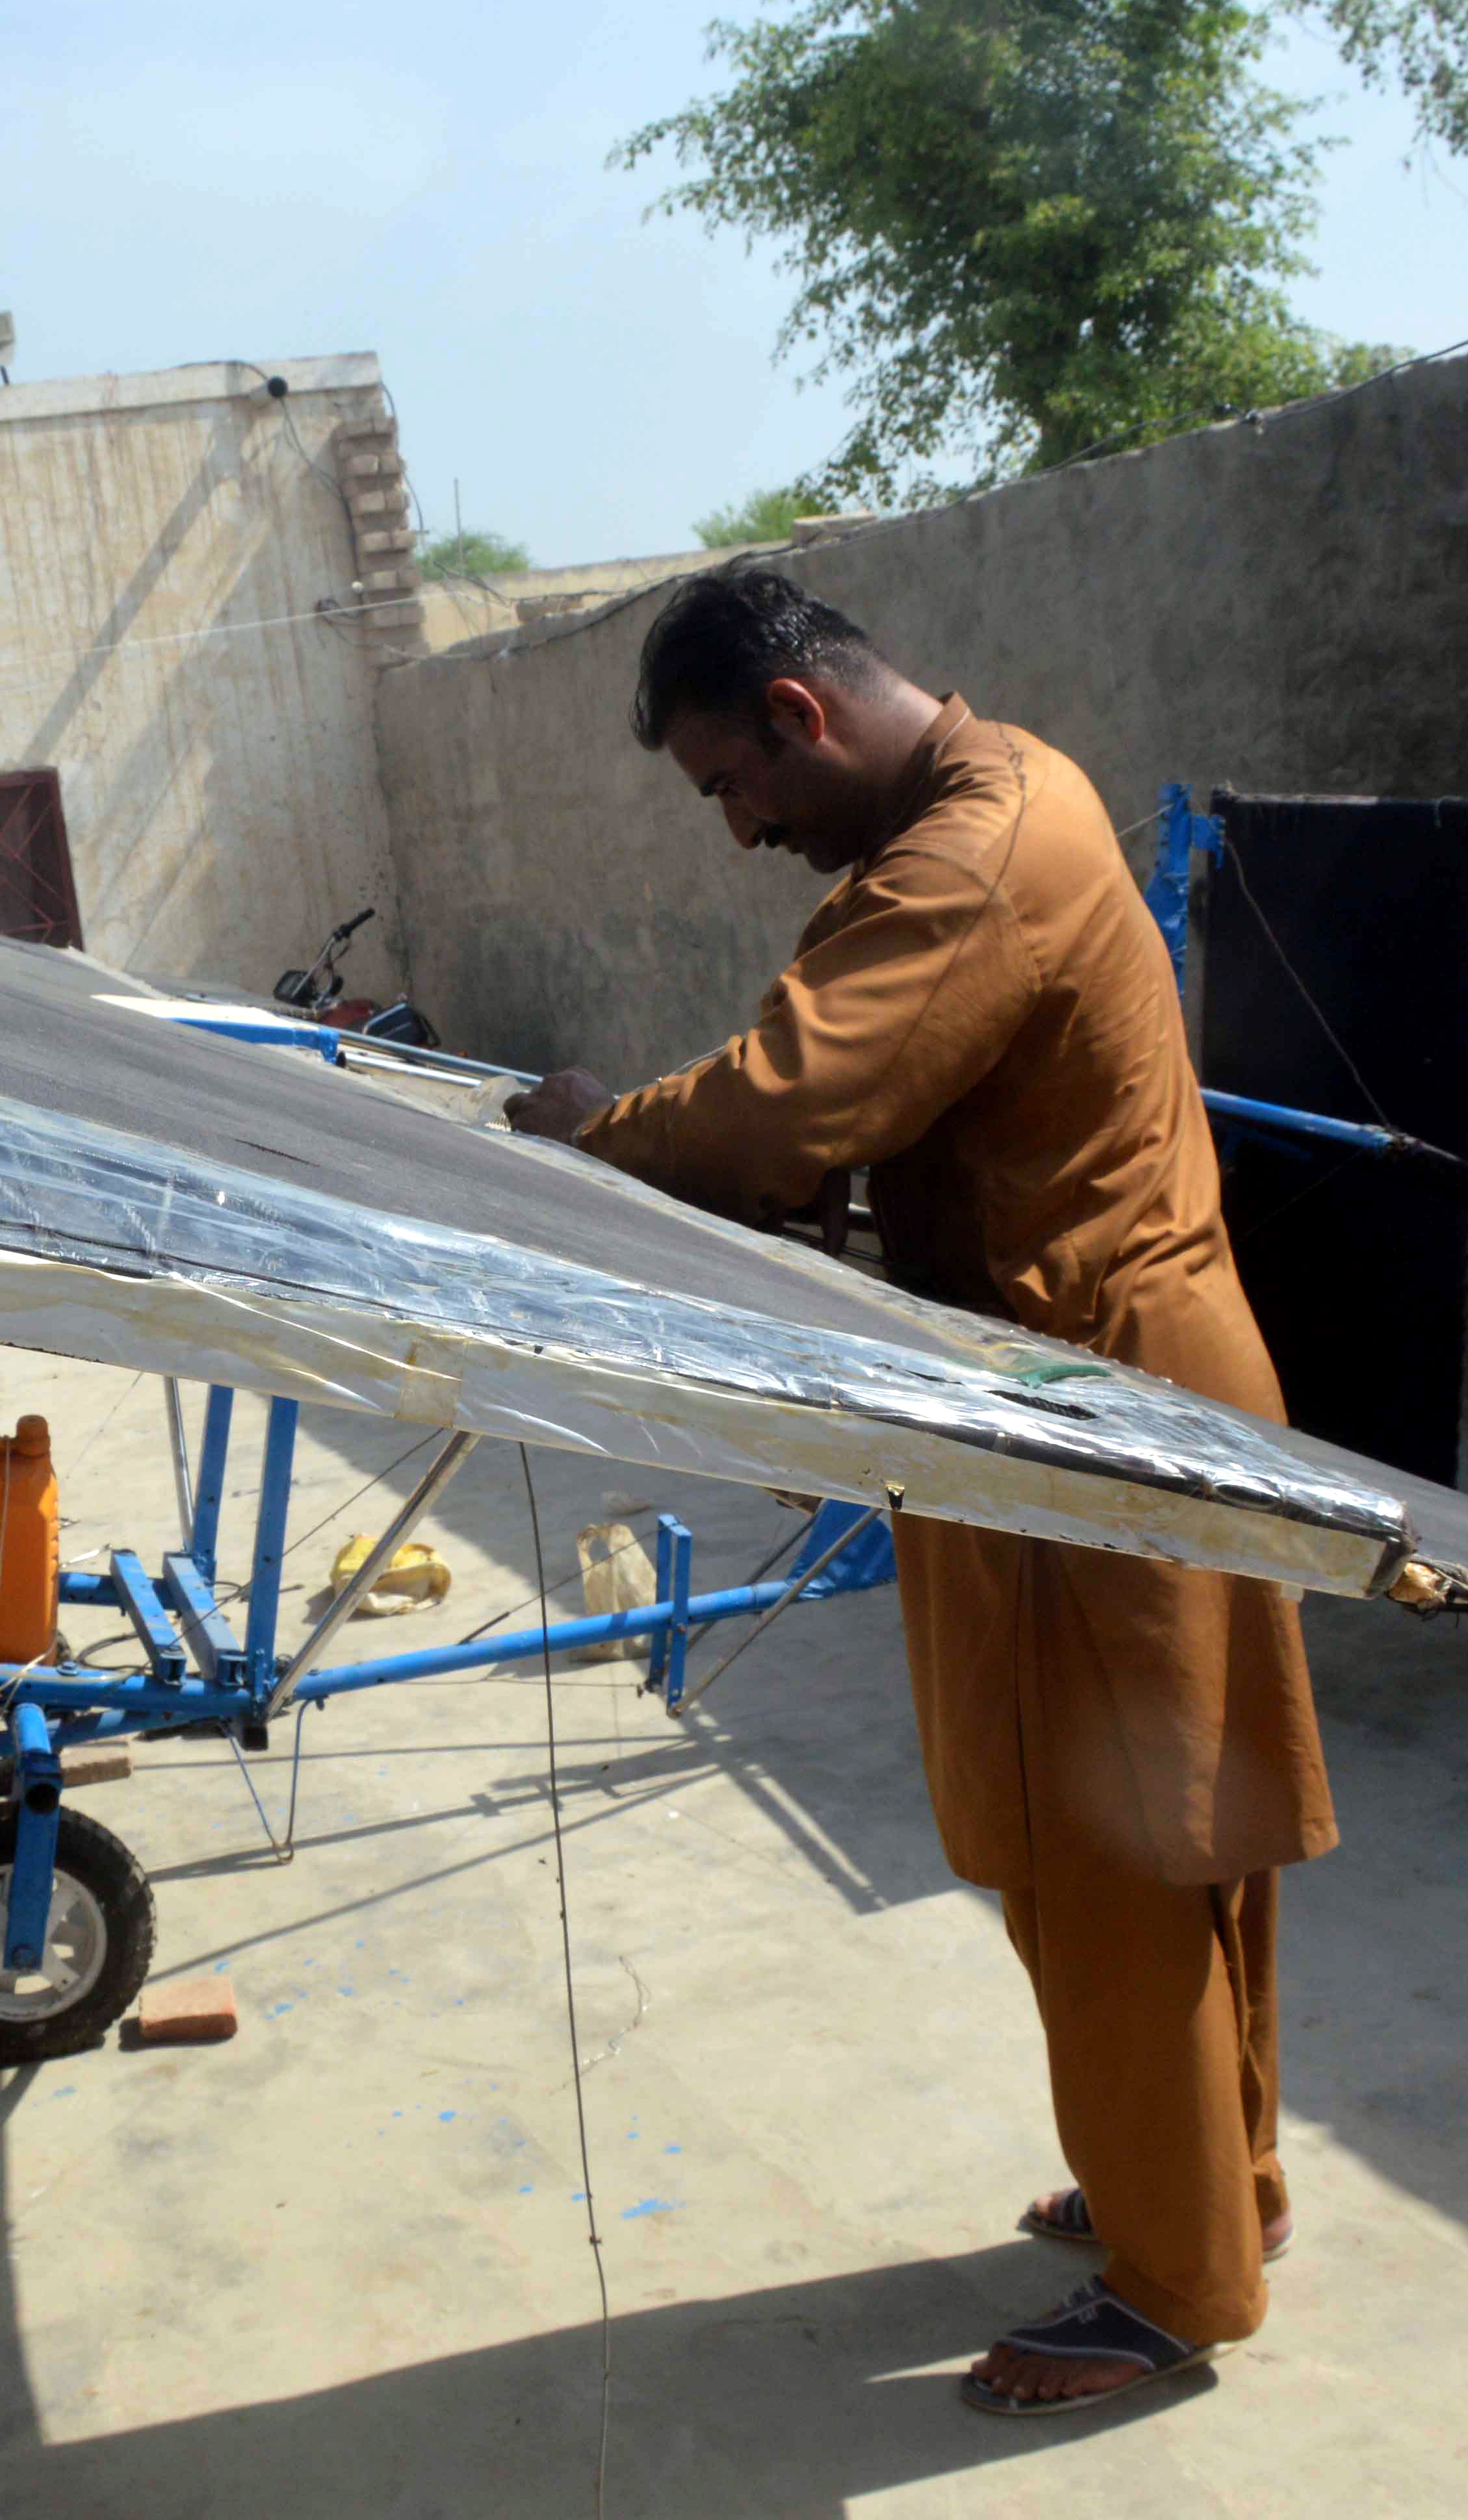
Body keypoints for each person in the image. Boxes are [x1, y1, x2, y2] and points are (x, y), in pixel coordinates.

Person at [507, 567, 1332, 2417]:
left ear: (799, 720)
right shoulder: (1006, 800)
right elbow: (874, 1115)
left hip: (1087, 1414)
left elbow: (783, 1108)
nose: (743, 832)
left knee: (1102, 1848)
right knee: (1183, 1834)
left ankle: (1175, 2282)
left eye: (734, 787)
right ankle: (1218, 2182)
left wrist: (591, 1143)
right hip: (1117, 1385)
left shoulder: (970, 851)